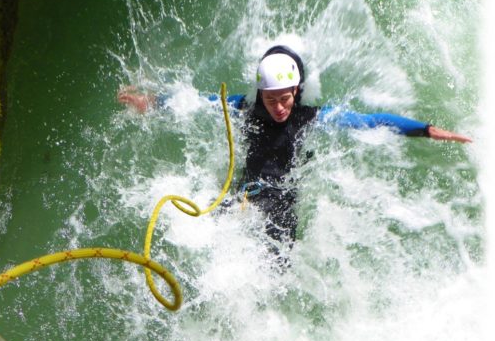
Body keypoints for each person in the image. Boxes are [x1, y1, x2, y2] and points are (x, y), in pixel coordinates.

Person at [118, 45, 472, 249]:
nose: (278, 107)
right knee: (210, 244)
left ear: (296, 92)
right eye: (271, 99)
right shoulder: (244, 107)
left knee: (276, 271)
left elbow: (370, 121)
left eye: (284, 98)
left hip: (282, 199)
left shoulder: (312, 117)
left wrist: (424, 130)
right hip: (245, 191)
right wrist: (150, 101)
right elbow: (193, 101)